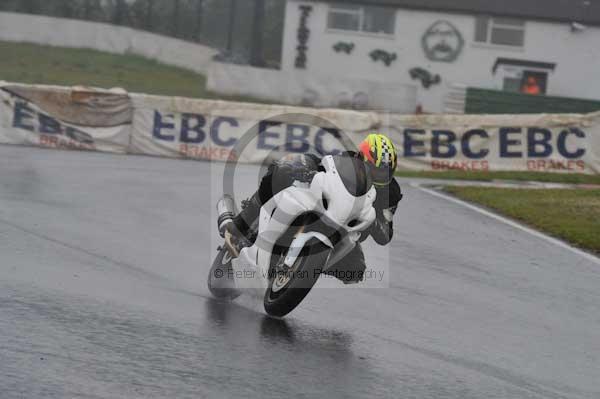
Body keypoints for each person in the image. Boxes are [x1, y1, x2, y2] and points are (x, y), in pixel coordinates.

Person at [222, 133, 403, 284]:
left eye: (385, 173)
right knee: (282, 170)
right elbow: (323, 165)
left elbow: (386, 234)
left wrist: (376, 223)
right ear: (362, 158)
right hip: (320, 206)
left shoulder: (391, 193)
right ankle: (242, 222)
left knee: (355, 270)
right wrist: (305, 168)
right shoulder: (348, 159)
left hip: (344, 231)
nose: (379, 176)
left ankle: (304, 268)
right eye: (376, 170)